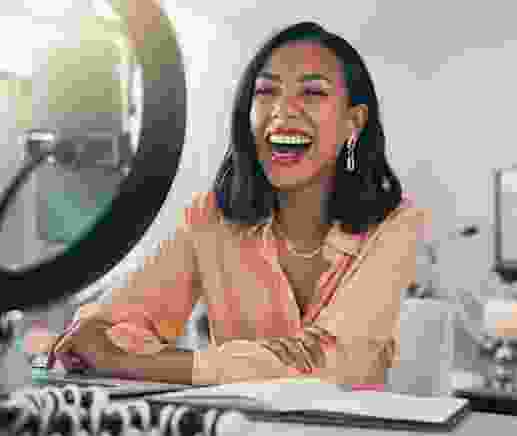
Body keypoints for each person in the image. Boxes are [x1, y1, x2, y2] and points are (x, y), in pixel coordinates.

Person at [43, 21, 430, 386]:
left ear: (353, 123)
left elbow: (335, 362)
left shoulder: (396, 224)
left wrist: (143, 362)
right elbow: (119, 321)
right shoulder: (210, 217)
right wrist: (96, 333)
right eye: (266, 91)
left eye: (312, 93)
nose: (282, 111)